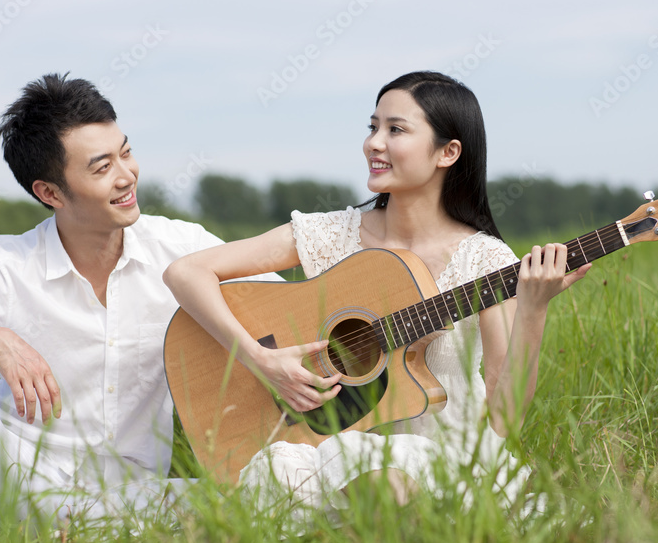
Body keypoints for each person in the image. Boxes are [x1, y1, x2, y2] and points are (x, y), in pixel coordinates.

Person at [163, 71, 591, 516]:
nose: (374, 143)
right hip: (321, 448)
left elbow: (504, 420)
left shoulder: (485, 259)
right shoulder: (327, 233)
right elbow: (187, 272)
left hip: (444, 459)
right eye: (372, 127)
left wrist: (534, 310)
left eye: (396, 129)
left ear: (448, 152)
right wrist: (261, 359)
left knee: (382, 484)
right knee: (309, 477)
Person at [0, 73, 254, 543]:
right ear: (50, 193)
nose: (126, 175)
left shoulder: (182, 250)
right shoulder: (8, 264)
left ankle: (76, 542)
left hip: (130, 495)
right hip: (12, 480)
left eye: (126, 152)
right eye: (101, 168)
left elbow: (285, 306)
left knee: (256, 496)